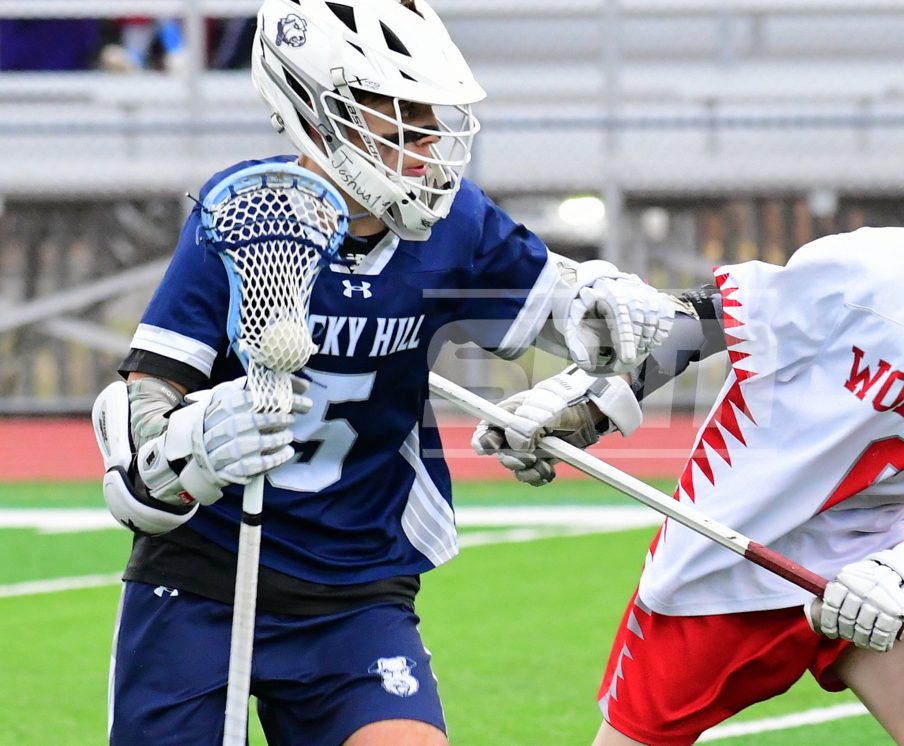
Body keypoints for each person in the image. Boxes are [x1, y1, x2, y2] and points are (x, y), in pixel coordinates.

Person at [473, 99, 904, 746]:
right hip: (722, 555)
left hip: (868, 563)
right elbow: (705, 323)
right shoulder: (869, 268)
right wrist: (591, 403)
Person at [90, 1, 670, 744]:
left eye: (432, 116)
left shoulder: (457, 224)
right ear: (316, 111)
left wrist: (610, 313)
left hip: (357, 589)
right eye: (401, 115)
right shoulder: (244, 214)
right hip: (208, 577)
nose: (430, 142)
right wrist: (192, 446)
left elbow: (573, 313)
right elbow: (140, 409)